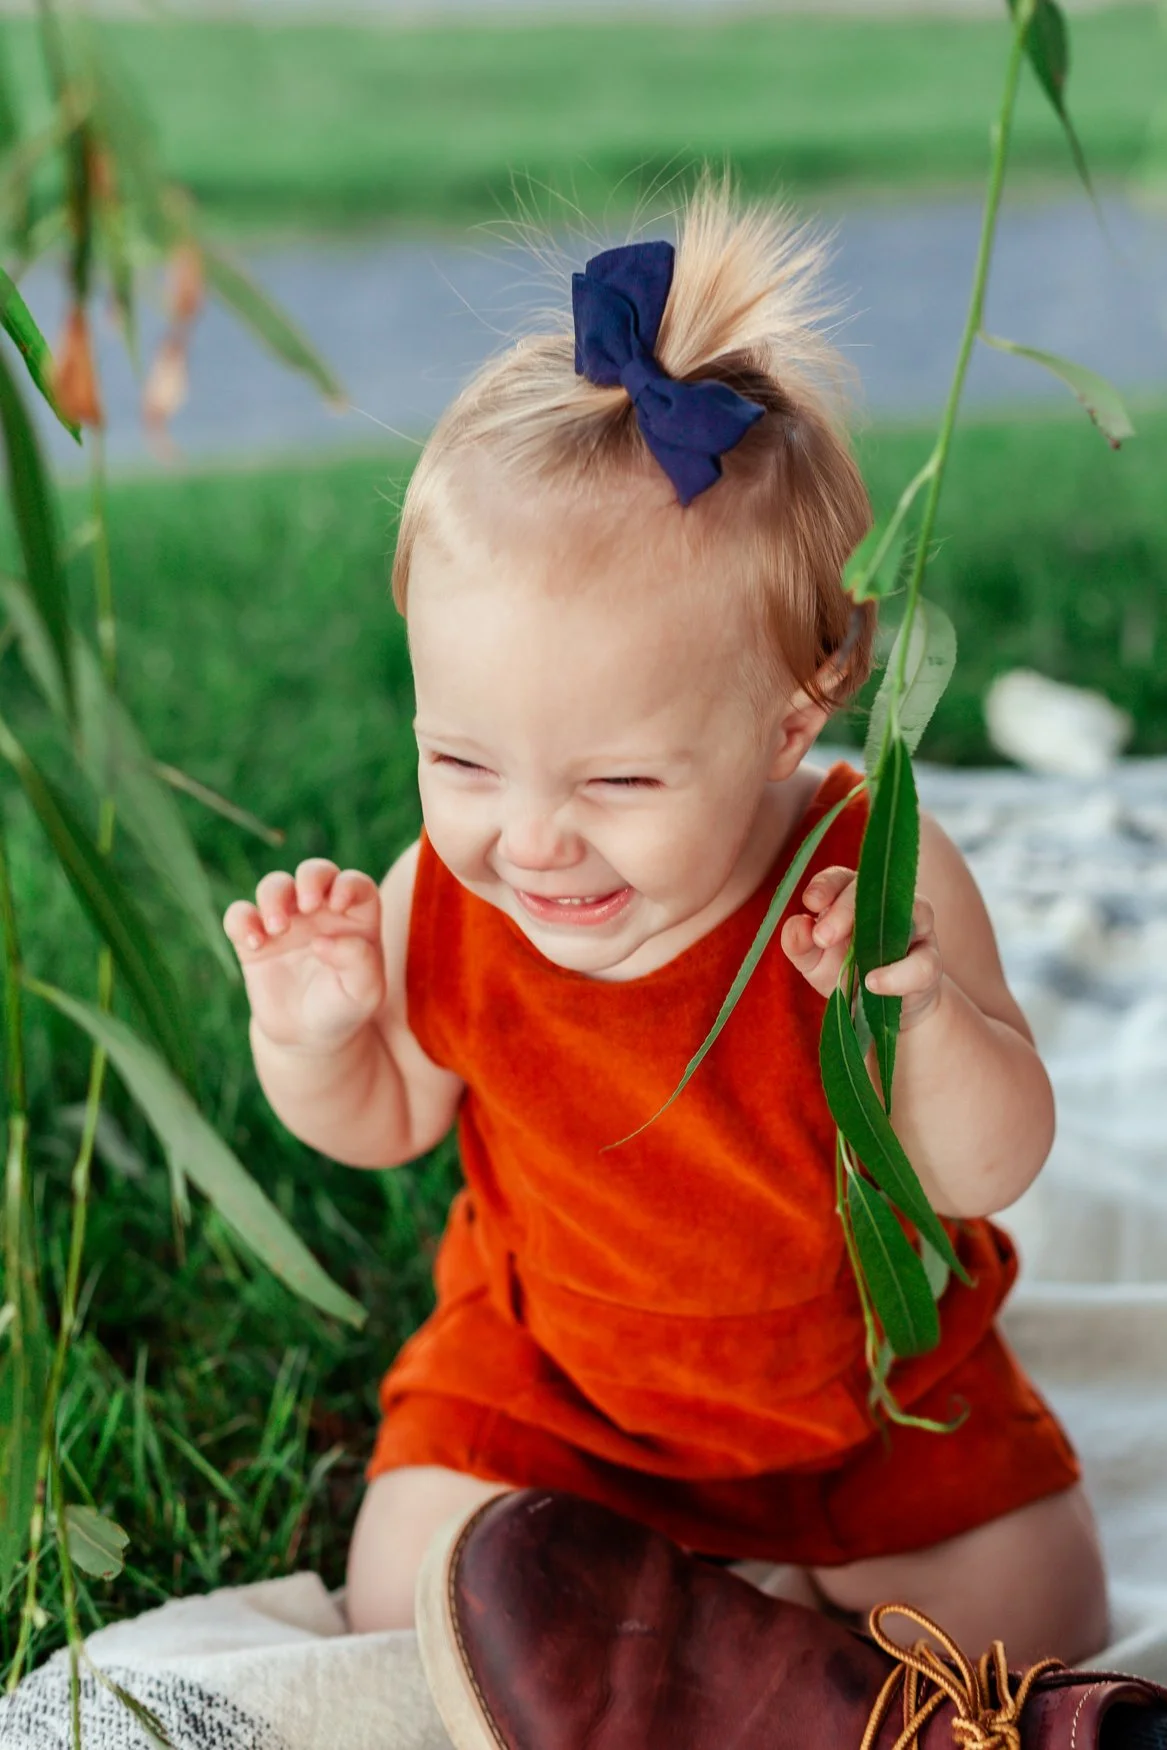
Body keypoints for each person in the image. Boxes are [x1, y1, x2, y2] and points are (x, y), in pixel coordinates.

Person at [223, 176, 1107, 1664]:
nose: (533, 833)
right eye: (461, 759)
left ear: (788, 721)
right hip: (555, 1383)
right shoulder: (453, 891)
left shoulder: (867, 868)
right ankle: (678, 1646)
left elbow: (986, 1167)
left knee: (1037, 1619)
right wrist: (311, 1037)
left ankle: (733, 1638)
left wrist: (921, 1014)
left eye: (618, 776)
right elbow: (385, 1117)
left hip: (857, 1400)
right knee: (406, 1588)